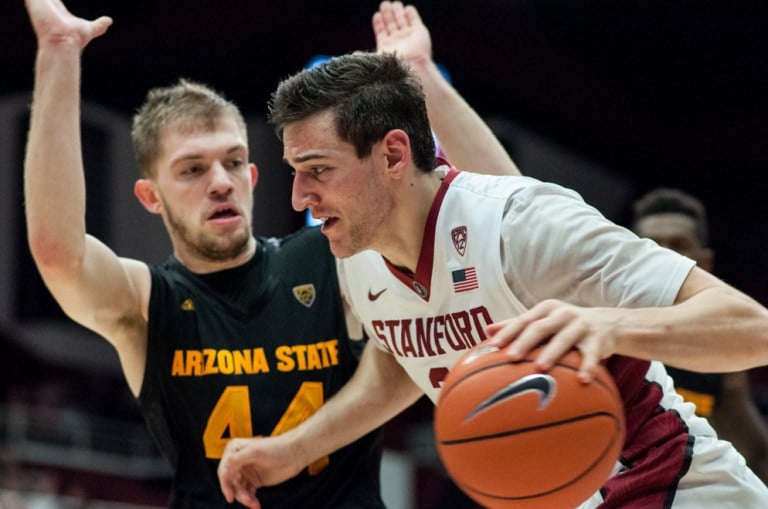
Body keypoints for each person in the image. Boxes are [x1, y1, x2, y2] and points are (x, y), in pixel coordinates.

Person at [217, 17, 768, 509]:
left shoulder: (524, 223)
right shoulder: (359, 260)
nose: (297, 197)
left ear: (391, 155)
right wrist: (292, 450)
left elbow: (754, 328)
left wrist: (608, 324)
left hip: (678, 487)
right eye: (294, 170)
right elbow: (400, 362)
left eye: (317, 168)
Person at [22, 0, 517, 507]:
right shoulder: (148, 302)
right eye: (192, 170)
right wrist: (59, 52)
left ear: (253, 177)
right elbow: (60, 255)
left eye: (234, 162)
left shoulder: (334, 254)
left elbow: (503, 222)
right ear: (151, 196)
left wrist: (423, 82)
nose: (220, 183)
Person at [632, 187, 768, 482]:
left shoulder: (720, 344)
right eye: (653, 244)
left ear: (705, 261)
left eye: (678, 244)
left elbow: (757, 453)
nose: (664, 254)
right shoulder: (598, 321)